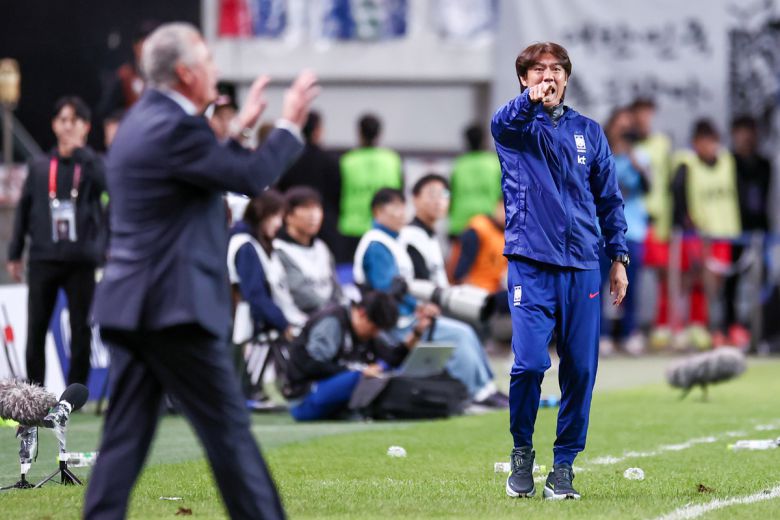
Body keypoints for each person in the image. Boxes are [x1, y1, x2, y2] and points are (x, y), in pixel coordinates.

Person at [83, 23, 319, 520]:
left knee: (123, 442)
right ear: (187, 73)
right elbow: (250, 177)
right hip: (175, 308)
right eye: (209, 61)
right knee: (229, 434)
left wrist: (240, 130)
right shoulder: (176, 127)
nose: (216, 69)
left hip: (132, 306)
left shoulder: (140, 119)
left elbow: (205, 166)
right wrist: (290, 124)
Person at [492, 42, 628, 500]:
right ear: (524, 79)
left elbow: (609, 199)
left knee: (582, 370)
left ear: (567, 78)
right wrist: (529, 103)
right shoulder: (514, 129)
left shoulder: (589, 132)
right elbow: (505, 120)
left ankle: (564, 465)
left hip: (584, 266)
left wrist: (619, 257)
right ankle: (522, 452)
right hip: (530, 264)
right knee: (530, 364)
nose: (548, 76)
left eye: (556, 69)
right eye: (537, 70)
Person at [354, 188, 507, 408]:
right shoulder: (378, 244)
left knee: (465, 331)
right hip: (394, 325)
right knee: (460, 334)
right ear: (378, 212)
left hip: (407, 318)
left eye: (401, 207)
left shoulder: (392, 241)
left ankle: (487, 388)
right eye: (393, 208)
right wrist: (418, 309)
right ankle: (474, 393)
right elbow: (387, 294)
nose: (400, 214)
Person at [7, 96, 107, 387]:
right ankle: (35, 393)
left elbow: (109, 188)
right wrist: (15, 253)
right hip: (43, 258)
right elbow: (24, 210)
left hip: (81, 259)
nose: (67, 127)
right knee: (36, 327)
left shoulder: (91, 165)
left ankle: (75, 396)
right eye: (62, 120)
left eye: (74, 121)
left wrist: (84, 155)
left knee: (81, 328)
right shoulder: (39, 166)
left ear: (85, 126)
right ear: (53, 125)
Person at [286, 291, 420, 421]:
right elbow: (310, 365)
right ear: (362, 313)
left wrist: (415, 336)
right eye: (374, 328)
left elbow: (389, 359)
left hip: (333, 392)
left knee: (383, 373)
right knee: (361, 377)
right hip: (304, 398)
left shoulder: (365, 330)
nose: (375, 334)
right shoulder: (332, 322)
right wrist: (356, 371)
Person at [670, 119, 741, 349]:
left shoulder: (728, 162)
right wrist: (689, 223)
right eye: (704, 142)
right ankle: (694, 327)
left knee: (718, 287)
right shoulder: (687, 164)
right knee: (696, 282)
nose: (709, 147)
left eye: (713, 142)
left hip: (726, 233)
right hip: (700, 235)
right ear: (695, 143)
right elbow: (679, 196)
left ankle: (717, 329)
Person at [598, 107, 651, 356]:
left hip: (633, 229)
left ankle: (630, 333)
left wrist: (635, 162)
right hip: (603, 228)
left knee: (632, 285)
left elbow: (648, 188)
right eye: (619, 125)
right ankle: (602, 335)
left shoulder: (639, 156)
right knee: (596, 286)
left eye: (627, 127)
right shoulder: (600, 154)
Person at [228, 190, 309, 343]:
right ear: (261, 213)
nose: (279, 223)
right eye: (275, 216)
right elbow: (255, 294)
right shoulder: (245, 246)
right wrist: (283, 325)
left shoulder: (260, 243)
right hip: (252, 335)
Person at [723, 115, 772, 347]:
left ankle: (759, 331)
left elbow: (767, 199)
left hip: (759, 231)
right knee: (730, 283)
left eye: (748, 132)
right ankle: (729, 329)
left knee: (761, 283)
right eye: (740, 132)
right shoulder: (728, 162)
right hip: (733, 229)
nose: (745, 137)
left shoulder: (764, 164)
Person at [275, 111, 343, 258]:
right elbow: (338, 194)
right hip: (326, 226)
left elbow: (279, 190)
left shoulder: (288, 159)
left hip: (293, 225)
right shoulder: (330, 160)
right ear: (317, 130)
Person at [338, 113, 402, 261]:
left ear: (359, 132)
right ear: (380, 133)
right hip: (385, 226)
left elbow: (337, 193)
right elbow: (399, 193)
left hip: (353, 228)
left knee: (352, 276)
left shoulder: (347, 160)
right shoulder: (392, 159)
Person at [275, 187, 343, 315]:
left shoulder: (321, 247)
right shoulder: (279, 249)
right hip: (300, 322)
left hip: (330, 317)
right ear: (288, 216)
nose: (314, 215)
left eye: (317, 208)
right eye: (306, 208)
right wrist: (334, 311)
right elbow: (300, 294)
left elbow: (336, 288)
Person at [448, 124, 503, 237]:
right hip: (488, 222)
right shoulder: (494, 163)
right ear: (484, 140)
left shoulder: (459, 165)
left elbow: (450, 194)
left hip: (460, 223)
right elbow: (503, 194)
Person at [399, 173, 451, 287]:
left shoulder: (429, 234)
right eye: (432, 195)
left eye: (444, 194)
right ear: (415, 199)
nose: (439, 201)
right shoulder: (411, 236)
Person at [451, 196, 508, 293]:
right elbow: (460, 272)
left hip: (493, 293)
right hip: (472, 291)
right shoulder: (478, 228)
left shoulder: (510, 238)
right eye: (506, 207)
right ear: (498, 205)